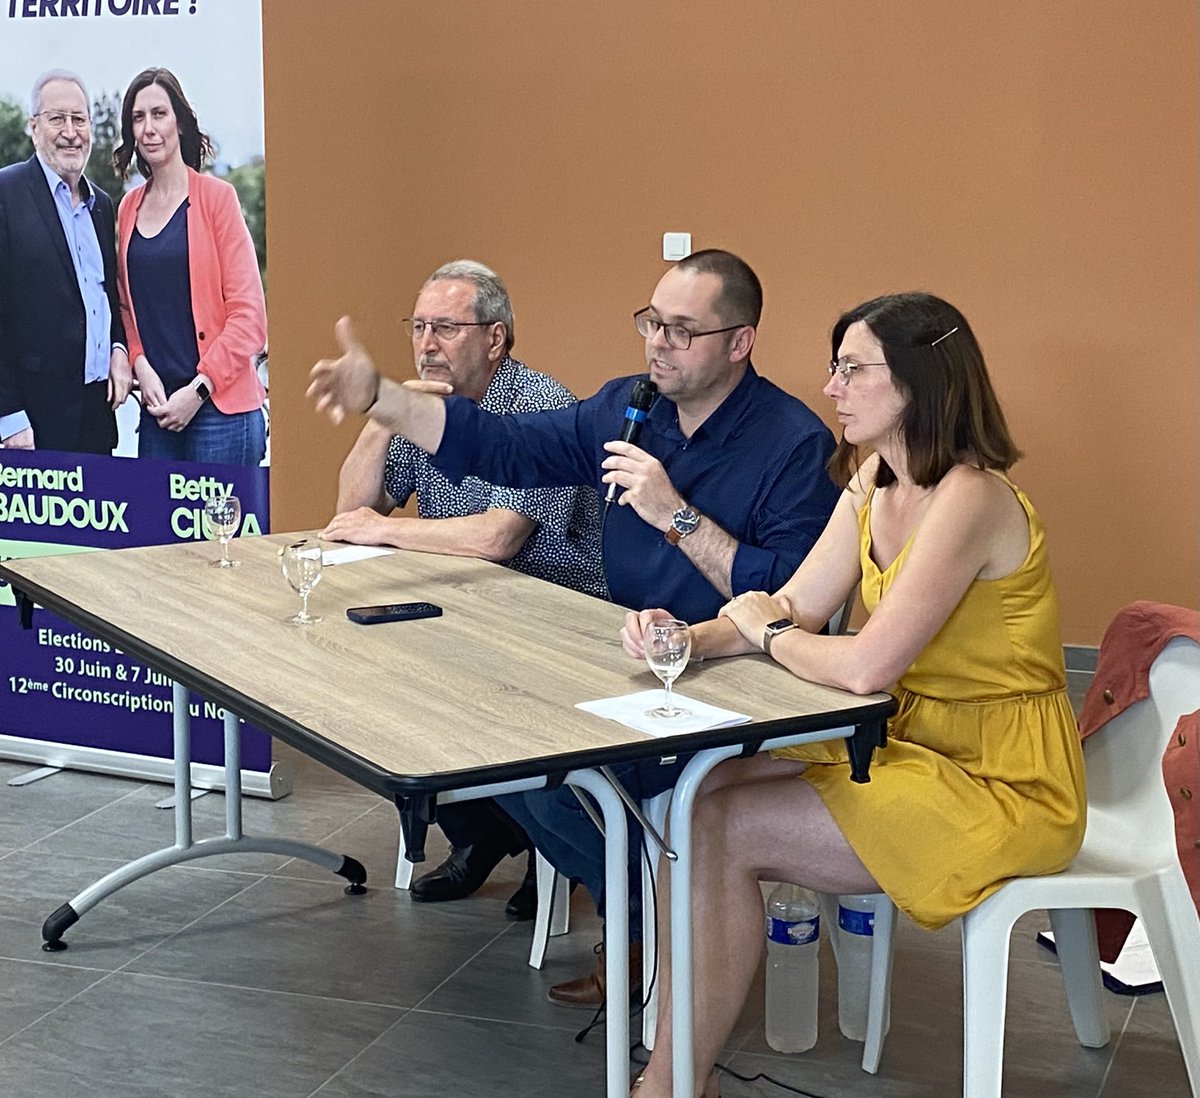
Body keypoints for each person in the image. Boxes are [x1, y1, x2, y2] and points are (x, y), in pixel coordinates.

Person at [309, 249, 842, 1007]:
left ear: (739, 341)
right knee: (509, 755)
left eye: (683, 330)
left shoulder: (792, 443)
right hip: (631, 656)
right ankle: (649, 917)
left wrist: (674, 515)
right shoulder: (628, 407)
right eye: (652, 321)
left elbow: (787, 605)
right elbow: (506, 447)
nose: (658, 341)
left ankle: (660, 931)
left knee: (565, 777)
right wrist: (384, 400)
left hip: (736, 673)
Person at [621, 291, 1087, 1097]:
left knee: (720, 824)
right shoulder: (874, 477)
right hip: (915, 743)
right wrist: (689, 641)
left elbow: (865, 666)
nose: (830, 387)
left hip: (1004, 782)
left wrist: (768, 636)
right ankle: (679, 1072)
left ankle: (668, 1086)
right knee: (697, 792)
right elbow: (796, 603)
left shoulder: (972, 497)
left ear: (918, 382)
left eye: (851, 369)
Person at [322, 259, 607, 920]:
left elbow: (498, 539)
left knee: (479, 695)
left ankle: (551, 852)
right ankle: (484, 836)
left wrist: (387, 533)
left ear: (496, 339)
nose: (427, 344)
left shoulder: (541, 403)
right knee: (385, 683)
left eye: (446, 328)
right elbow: (350, 512)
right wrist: (380, 414)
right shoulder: (420, 409)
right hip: (465, 607)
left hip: (558, 614)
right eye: (419, 327)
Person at [112, 67, 267, 465]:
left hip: (220, 411)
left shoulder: (218, 198)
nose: (149, 128)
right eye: (137, 117)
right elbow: (127, 308)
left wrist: (199, 389)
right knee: (157, 528)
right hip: (158, 413)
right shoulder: (129, 207)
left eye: (158, 113)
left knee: (222, 530)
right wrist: (139, 364)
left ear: (179, 122)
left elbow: (249, 317)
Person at [0, 70, 131, 453]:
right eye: (57, 118)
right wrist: (8, 416)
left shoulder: (102, 207)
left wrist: (119, 349)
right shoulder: (6, 195)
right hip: (29, 428)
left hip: (97, 419)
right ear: (34, 127)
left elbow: (105, 296)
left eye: (79, 119)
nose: (70, 132)